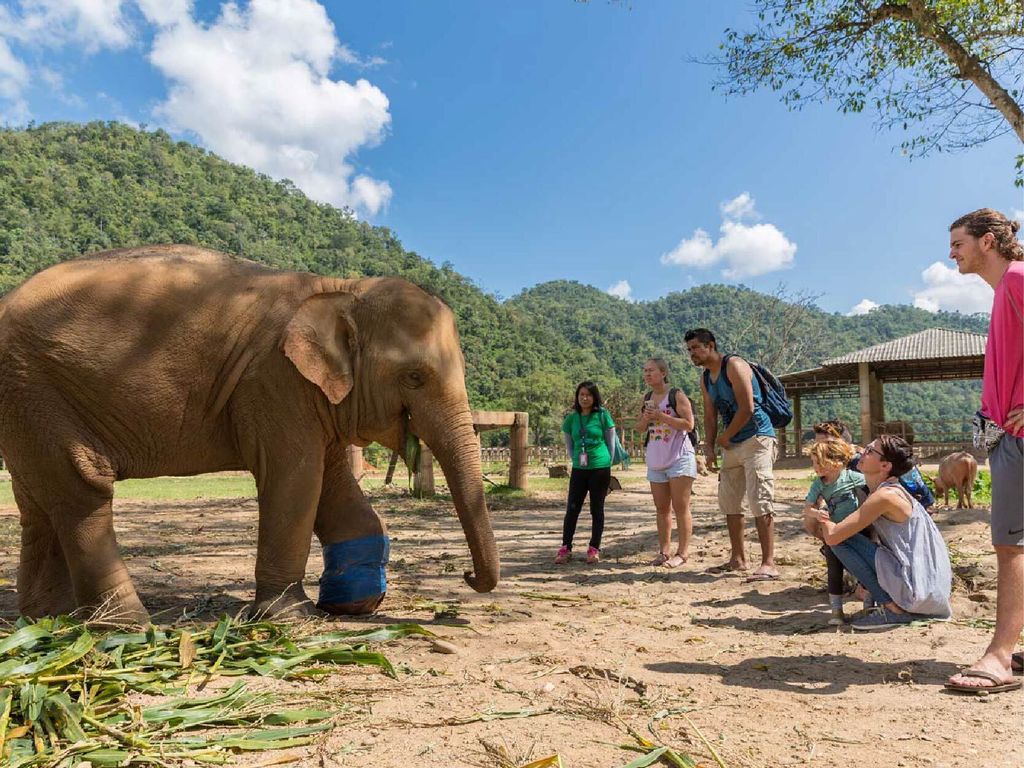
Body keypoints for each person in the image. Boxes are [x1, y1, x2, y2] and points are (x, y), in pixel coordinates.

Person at [944, 208, 1024, 694]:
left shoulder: (1016, 280)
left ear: (987, 241)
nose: (952, 253)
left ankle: (999, 656)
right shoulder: (1006, 290)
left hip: (1018, 434)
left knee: (1010, 545)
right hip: (1005, 433)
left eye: (958, 243)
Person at [817, 435, 952, 631]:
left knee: (838, 540)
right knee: (847, 536)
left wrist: (823, 513)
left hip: (918, 589)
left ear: (885, 466)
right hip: (931, 590)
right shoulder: (887, 490)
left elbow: (834, 536)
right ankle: (889, 604)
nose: (862, 452)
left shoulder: (885, 496)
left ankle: (893, 609)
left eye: (870, 451)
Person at [685, 328, 779, 581]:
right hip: (732, 444)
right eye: (689, 349)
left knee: (760, 499)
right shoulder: (705, 379)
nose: (692, 353)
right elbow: (709, 414)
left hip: (757, 438)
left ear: (711, 345)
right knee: (730, 501)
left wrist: (725, 437)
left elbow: (747, 407)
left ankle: (768, 562)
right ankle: (738, 559)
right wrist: (711, 445)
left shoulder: (734, 365)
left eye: (696, 348)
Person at [638, 358, 698, 568]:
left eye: (651, 370)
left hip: (679, 457)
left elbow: (689, 424)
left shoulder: (676, 395)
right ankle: (663, 552)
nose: (647, 374)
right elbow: (640, 428)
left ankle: (682, 553)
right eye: (645, 371)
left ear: (663, 373)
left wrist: (662, 416)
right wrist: (647, 418)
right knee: (661, 508)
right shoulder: (647, 397)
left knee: (681, 507)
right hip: (656, 459)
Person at [802, 438, 868, 625]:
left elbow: (871, 487)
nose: (815, 467)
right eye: (814, 463)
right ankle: (836, 610)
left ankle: (868, 604)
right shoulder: (819, 485)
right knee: (834, 569)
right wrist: (818, 513)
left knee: (863, 567)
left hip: (856, 529)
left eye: (818, 462)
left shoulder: (852, 477)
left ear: (835, 462)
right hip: (833, 532)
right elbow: (807, 508)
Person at [813, 420, 935, 512]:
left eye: (827, 444)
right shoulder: (836, 466)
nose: (820, 450)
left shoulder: (862, 461)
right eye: (817, 445)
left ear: (841, 443)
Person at [556, 381, 616, 565]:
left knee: (596, 509)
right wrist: (576, 459)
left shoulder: (603, 415)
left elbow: (610, 441)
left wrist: (607, 463)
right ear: (577, 396)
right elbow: (569, 444)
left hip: (600, 468)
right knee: (572, 508)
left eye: (588, 395)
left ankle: (594, 548)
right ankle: (566, 547)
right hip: (579, 469)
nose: (584, 398)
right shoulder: (571, 419)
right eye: (581, 394)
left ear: (594, 397)